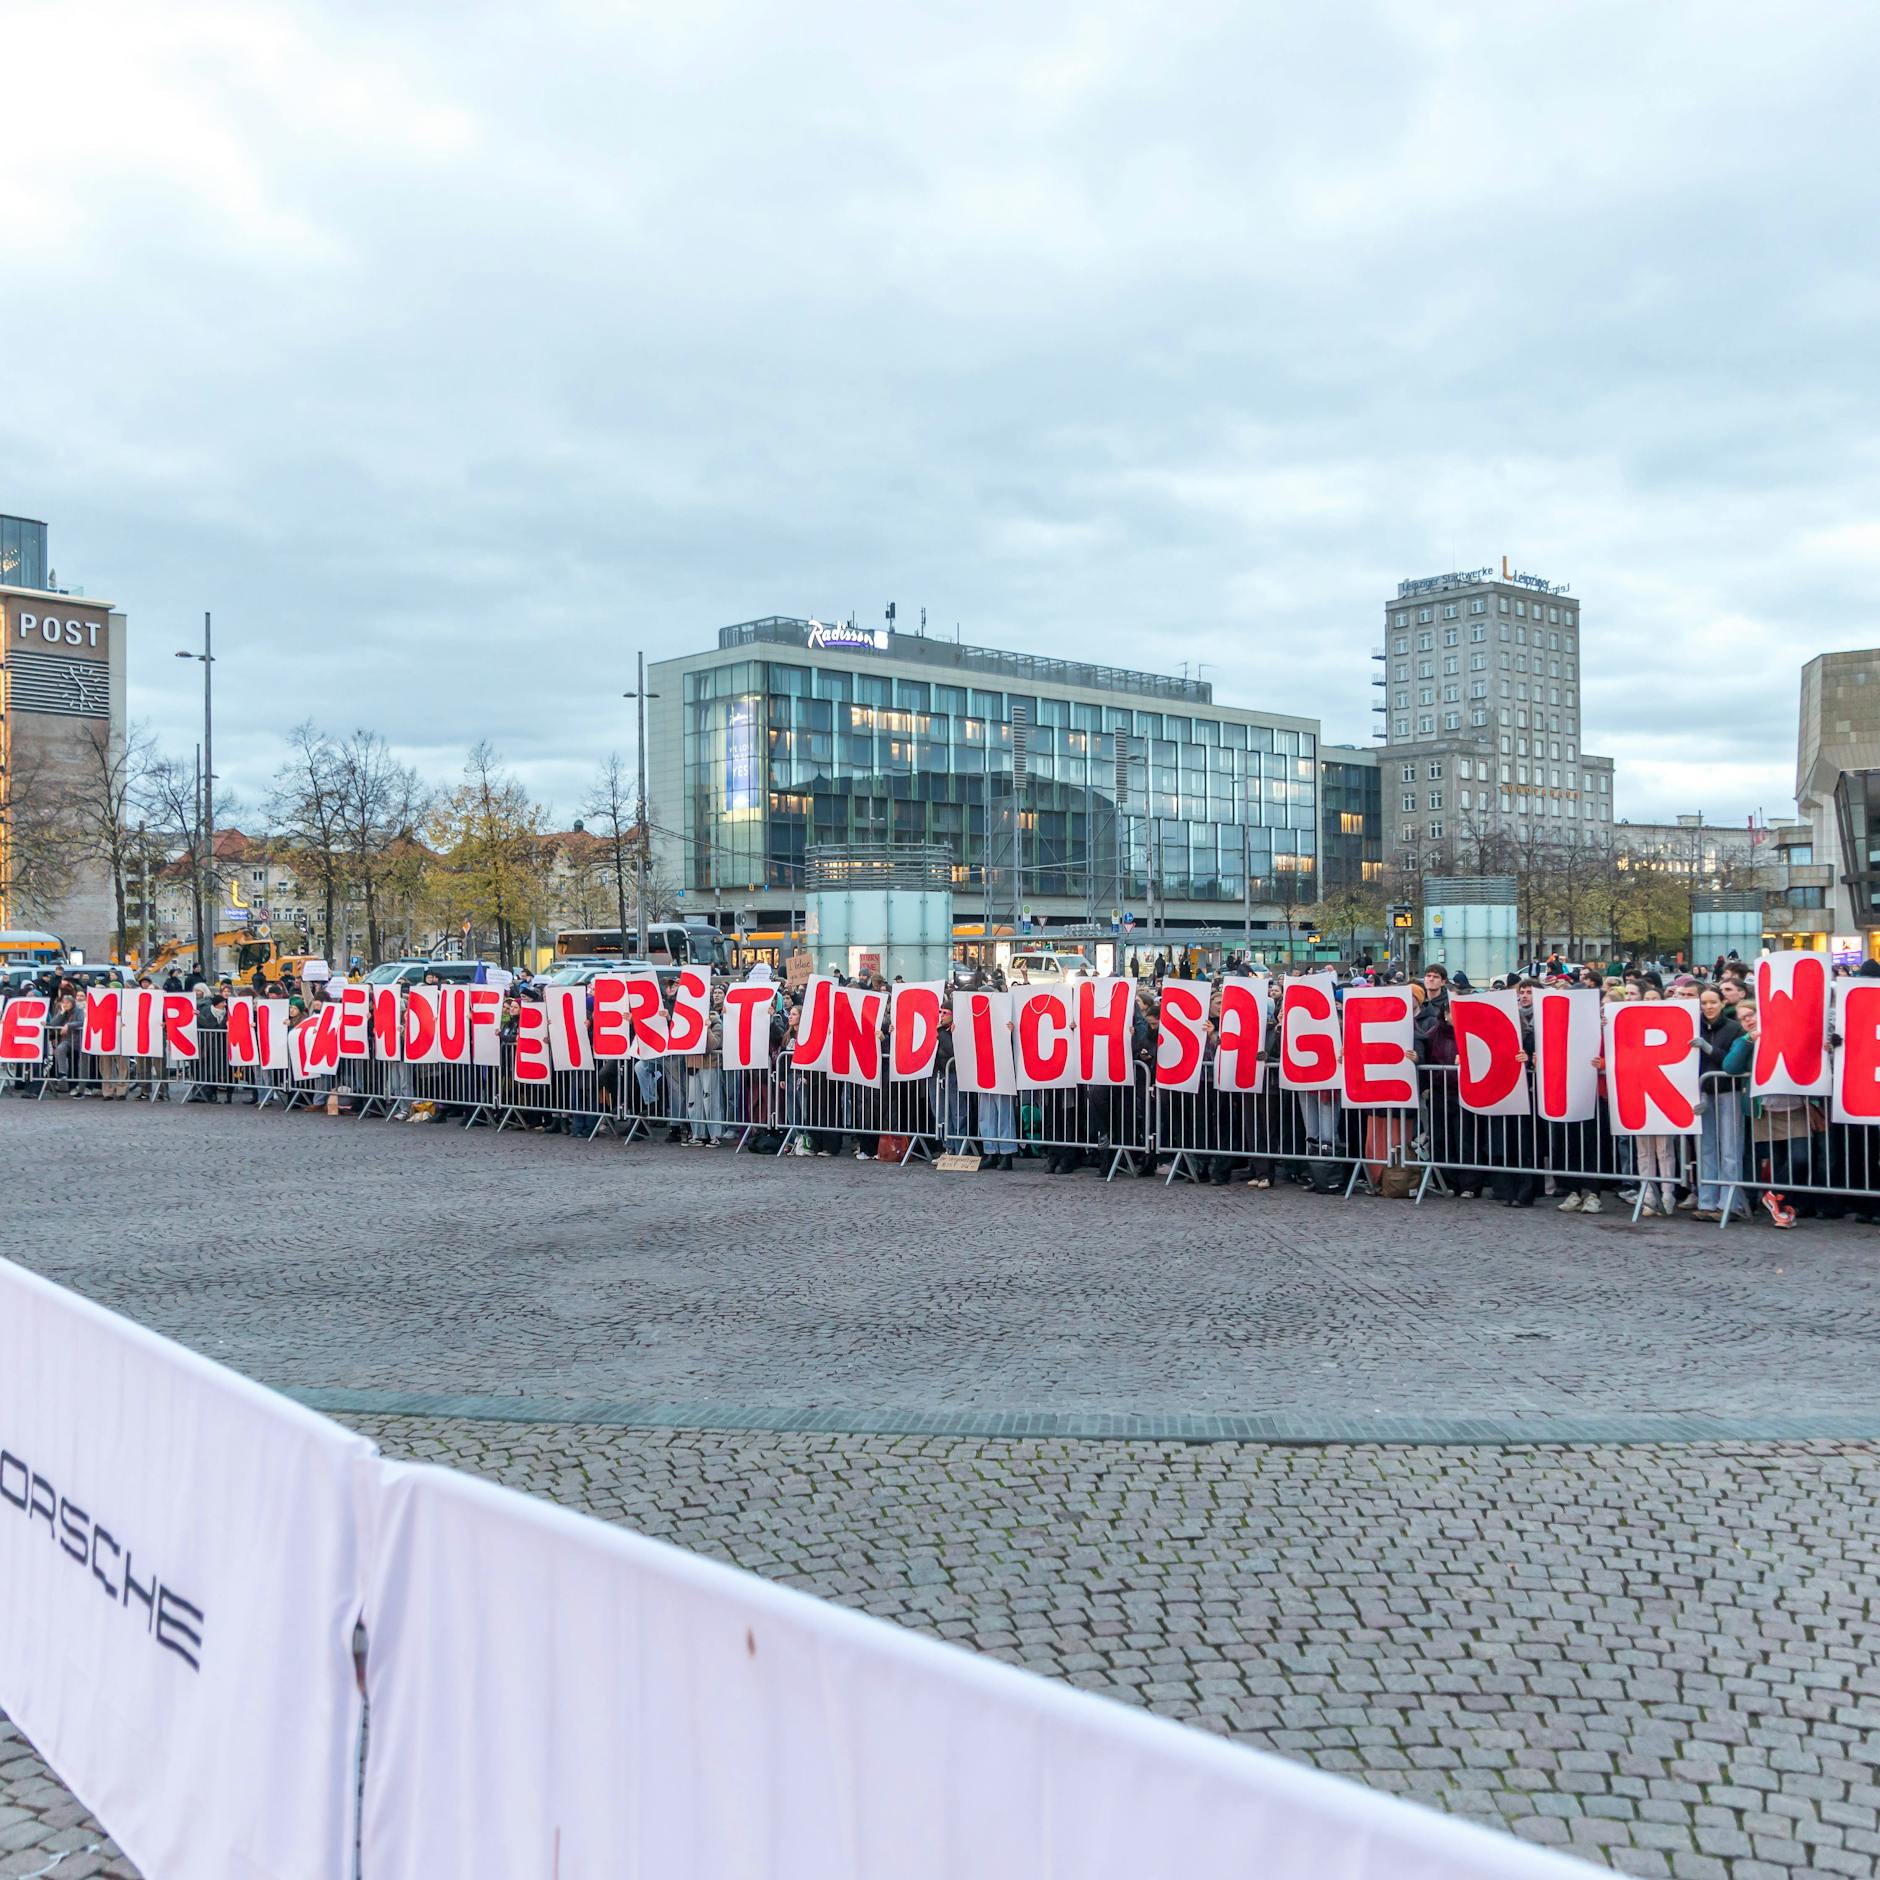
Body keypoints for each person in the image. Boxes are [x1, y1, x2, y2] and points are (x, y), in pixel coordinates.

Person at [1691, 983, 1745, 1219]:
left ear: (1722, 1003)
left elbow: (1732, 1062)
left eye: (1713, 1002)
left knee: (1730, 1149)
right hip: (1704, 1093)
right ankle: (1707, 1202)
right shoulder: (1694, 1026)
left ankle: (1730, 1203)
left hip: (1728, 1091)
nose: (1708, 1007)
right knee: (1706, 1149)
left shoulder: (1734, 1028)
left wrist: (1708, 1048)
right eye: (1704, 1003)